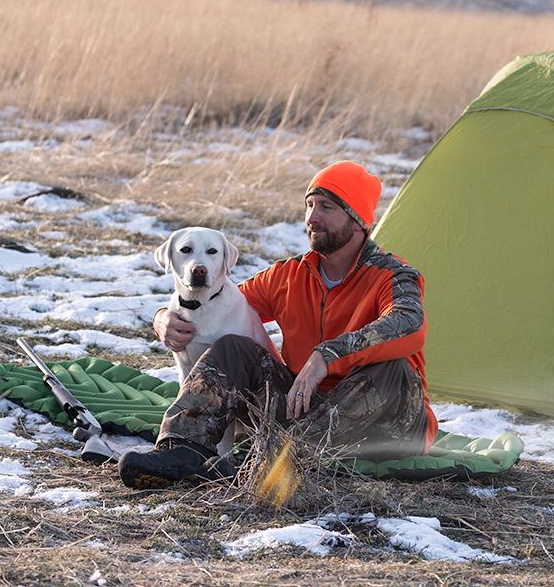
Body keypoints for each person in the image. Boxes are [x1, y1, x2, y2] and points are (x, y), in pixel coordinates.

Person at [119, 160, 437, 488]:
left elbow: (409, 324)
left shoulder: (393, 275)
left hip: (390, 425)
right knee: (231, 347)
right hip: (304, 406)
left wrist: (328, 356)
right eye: (309, 205)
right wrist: (164, 319)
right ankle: (182, 450)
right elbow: (218, 302)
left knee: (392, 368)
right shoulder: (288, 275)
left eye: (327, 207)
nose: (312, 218)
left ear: (356, 219)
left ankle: (267, 457)